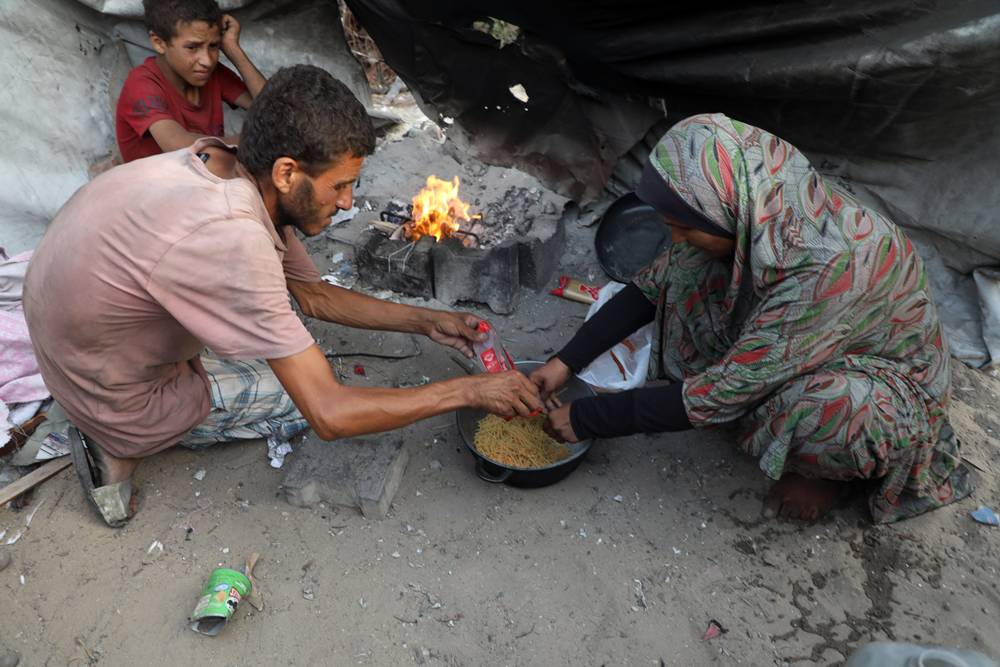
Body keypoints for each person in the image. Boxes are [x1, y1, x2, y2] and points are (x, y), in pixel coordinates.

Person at [25, 65, 542, 526]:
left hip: (74, 327)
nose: (348, 203)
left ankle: (112, 405)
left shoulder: (226, 160)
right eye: (340, 186)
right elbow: (330, 415)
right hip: (98, 378)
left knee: (290, 352)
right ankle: (112, 445)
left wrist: (426, 321)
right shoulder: (235, 238)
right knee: (304, 397)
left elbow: (315, 297)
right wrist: (470, 392)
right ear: (288, 172)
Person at [530, 113, 972, 524]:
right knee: (687, 271)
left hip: (879, 382)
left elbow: (722, 392)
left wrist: (588, 419)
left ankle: (827, 476)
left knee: (829, 411)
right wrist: (565, 361)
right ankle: (770, 409)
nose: (674, 237)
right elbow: (651, 286)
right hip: (808, 338)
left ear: (729, 210)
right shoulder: (759, 204)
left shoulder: (827, 268)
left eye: (685, 227)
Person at [115, 0, 267, 162]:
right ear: (159, 43)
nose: (207, 61)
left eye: (214, 46)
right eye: (192, 47)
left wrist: (233, 49)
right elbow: (177, 145)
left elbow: (273, 107)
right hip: (156, 186)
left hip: (204, 182)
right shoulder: (141, 83)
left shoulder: (212, 74)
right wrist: (252, 139)